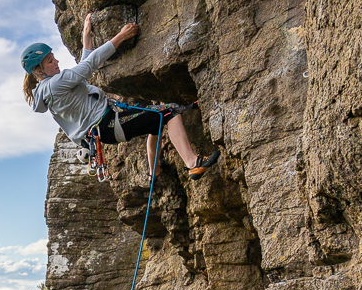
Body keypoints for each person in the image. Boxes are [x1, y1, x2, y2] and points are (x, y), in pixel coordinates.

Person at [21, 13, 220, 180]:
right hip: (106, 124)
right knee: (170, 113)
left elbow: (83, 66)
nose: (56, 61)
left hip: (103, 128)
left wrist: (86, 36)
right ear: (39, 71)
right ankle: (192, 163)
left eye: (53, 56)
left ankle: (154, 170)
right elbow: (90, 66)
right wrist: (121, 36)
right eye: (49, 61)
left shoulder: (48, 89)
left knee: (155, 117)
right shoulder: (55, 83)